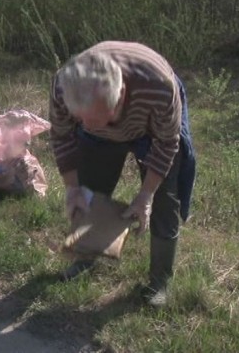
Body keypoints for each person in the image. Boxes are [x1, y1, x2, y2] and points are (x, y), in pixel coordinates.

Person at [48, 41, 196, 307]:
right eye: (82, 119)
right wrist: (72, 189)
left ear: (122, 93)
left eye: (99, 117)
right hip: (107, 132)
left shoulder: (159, 87)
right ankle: (85, 257)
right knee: (90, 188)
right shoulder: (63, 87)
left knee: (164, 199)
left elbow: (167, 144)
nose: (91, 126)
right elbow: (61, 136)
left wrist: (145, 195)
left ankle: (160, 280)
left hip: (152, 127)